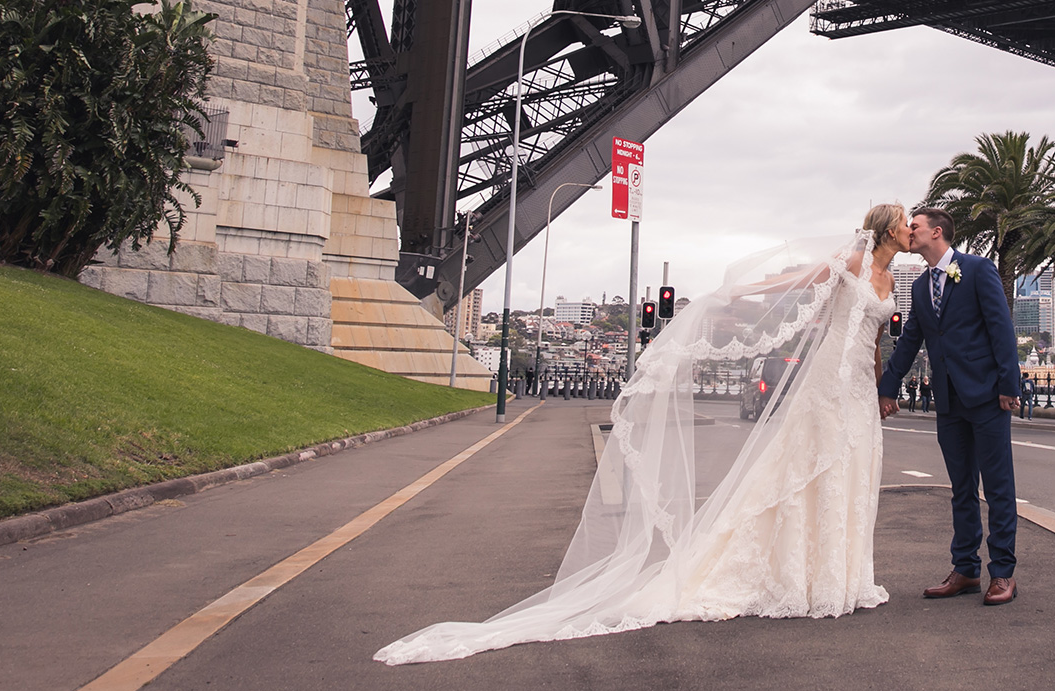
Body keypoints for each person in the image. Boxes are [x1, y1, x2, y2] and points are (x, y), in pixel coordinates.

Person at [374, 206, 913, 663]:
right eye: (908, 222)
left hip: (860, 393)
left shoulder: (891, 280)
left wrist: (882, 387)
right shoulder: (853, 261)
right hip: (825, 391)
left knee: (851, 474)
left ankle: (842, 578)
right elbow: (797, 281)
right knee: (804, 473)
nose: (912, 229)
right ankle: (803, 577)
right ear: (888, 228)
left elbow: (871, 341)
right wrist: (738, 292)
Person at [878, 207, 1023, 607]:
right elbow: (910, 341)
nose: (909, 231)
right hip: (948, 400)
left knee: (997, 488)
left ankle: (1003, 574)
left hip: (987, 396)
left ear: (936, 232)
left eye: (915, 226)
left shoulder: (978, 270)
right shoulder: (921, 286)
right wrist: (886, 389)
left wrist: (1009, 385)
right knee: (961, 488)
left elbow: (1001, 329)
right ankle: (965, 569)